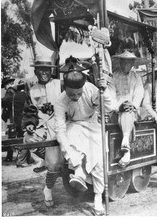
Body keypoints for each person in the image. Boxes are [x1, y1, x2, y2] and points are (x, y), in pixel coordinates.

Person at [54, 66, 115, 216]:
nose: (75, 97)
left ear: (83, 87)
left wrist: (104, 91)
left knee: (99, 159)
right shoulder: (60, 101)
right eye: (71, 94)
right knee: (69, 136)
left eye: (78, 93)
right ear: (64, 88)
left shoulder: (91, 89)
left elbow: (109, 107)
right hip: (74, 125)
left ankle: (97, 198)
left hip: (93, 125)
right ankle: (79, 171)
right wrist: (73, 159)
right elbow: (60, 130)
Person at [16, 54, 64, 207]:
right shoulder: (32, 87)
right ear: (36, 71)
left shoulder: (59, 84)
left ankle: (48, 189)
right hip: (41, 126)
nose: (44, 73)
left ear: (51, 71)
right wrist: (30, 123)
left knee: (55, 162)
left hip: (58, 126)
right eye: (41, 70)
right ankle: (45, 158)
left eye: (47, 70)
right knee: (28, 139)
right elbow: (29, 110)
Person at [111, 50, 145, 167]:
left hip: (132, 109)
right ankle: (127, 151)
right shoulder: (113, 76)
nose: (126, 65)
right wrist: (118, 107)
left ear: (132, 64)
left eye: (129, 63)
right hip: (116, 108)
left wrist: (134, 105)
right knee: (124, 110)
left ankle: (126, 142)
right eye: (124, 62)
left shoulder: (136, 77)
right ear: (120, 62)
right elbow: (109, 95)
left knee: (128, 111)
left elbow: (139, 93)